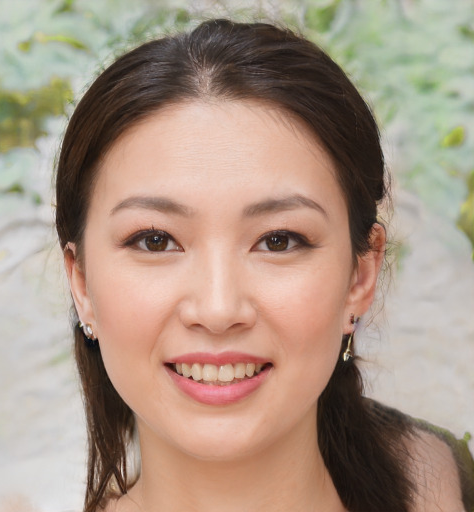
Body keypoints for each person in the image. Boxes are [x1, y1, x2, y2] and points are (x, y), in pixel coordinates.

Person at [55, 19, 473, 512]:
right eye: (155, 240)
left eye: (278, 241)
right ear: (81, 283)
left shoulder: (444, 485)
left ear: (360, 276)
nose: (217, 309)